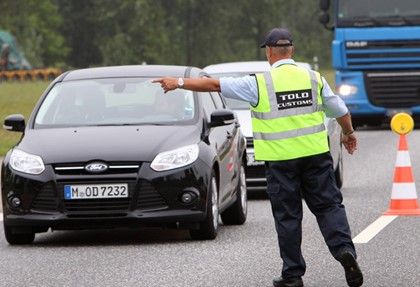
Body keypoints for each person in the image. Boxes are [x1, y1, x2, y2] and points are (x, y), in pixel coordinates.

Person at [153, 27, 363, 287]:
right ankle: (345, 251)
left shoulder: (259, 83)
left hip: (280, 163)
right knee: (329, 207)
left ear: (270, 52)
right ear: (292, 51)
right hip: (315, 157)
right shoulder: (314, 78)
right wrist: (348, 133)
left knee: (288, 216)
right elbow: (340, 110)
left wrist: (179, 83)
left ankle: (293, 275)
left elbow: (213, 84)